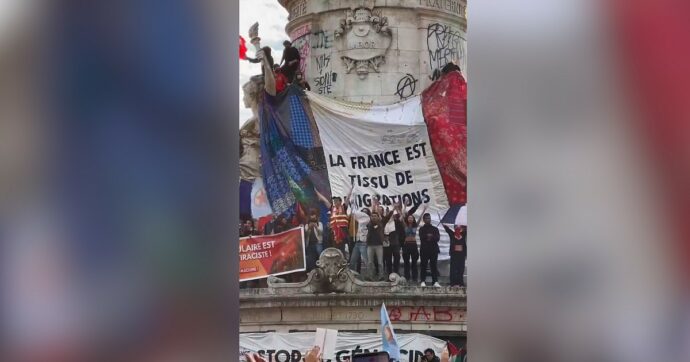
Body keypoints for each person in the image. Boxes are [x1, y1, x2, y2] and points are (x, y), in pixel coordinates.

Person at [366, 202, 394, 281]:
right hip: (370, 245)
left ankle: (381, 276)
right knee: (370, 262)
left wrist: (394, 209)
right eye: (372, 216)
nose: (374, 217)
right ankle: (370, 276)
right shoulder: (369, 224)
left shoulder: (382, 223)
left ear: (378, 217)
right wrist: (374, 206)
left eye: (375, 216)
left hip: (379, 245)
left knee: (380, 262)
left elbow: (388, 216)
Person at [401, 203, 426, 283]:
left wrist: (424, 210)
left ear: (413, 219)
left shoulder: (415, 226)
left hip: (413, 245)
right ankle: (407, 277)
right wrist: (404, 206)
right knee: (406, 262)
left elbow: (420, 218)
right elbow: (402, 216)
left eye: (411, 218)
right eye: (409, 218)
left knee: (414, 262)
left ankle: (415, 278)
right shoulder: (405, 225)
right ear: (407, 219)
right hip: (406, 245)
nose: (410, 219)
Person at [419, 213, 441, 287]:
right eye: (426, 218)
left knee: (433, 266)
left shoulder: (435, 229)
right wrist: (428, 236)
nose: (428, 219)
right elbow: (422, 237)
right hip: (424, 250)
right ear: (424, 220)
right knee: (423, 266)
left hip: (433, 250)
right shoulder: (421, 229)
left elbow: (437, 238)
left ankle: (435, 281)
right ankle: (422, 281)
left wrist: (431, 237)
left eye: (429, 218)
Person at [443, 223, 466, 287]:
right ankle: (453, 283)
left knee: (461, 269)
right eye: (456, 227)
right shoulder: (452, 234)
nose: (458, 228)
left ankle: (460, 283)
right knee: (453, 268)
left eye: (459, 227)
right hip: (454, 254)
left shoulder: (463, 234)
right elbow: (447, 229)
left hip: (461, 255)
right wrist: (444, 225)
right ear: (454, 228)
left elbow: (467, 228)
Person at [349, 206, 370, 274]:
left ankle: (371, 275)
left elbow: (355, 214)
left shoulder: (367, 219)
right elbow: (353, 214)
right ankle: (352, 276)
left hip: (363, 243)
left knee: (366, 261)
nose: (363, 213)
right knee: (352, 261)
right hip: (357, 242)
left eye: (365, 212)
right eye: (362, 211)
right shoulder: (359, 220)